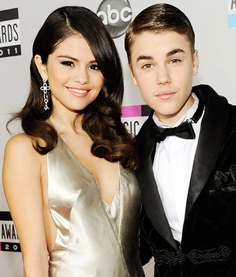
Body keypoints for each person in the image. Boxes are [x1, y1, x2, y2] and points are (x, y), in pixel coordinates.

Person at [2, 6, 145, 277]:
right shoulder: (27, 149)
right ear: (42, 66)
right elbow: (34, 261)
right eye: (68, 63)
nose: (82, 78)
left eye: (94, 66)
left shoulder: (116, 141)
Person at [124, 3, 236, 277]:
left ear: (194, 61)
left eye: (174, 60)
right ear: (133, 74)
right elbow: (132, 252)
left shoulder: (233, 127)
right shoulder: (130, 154)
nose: (163, 78)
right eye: (147, 64)